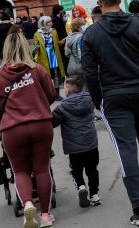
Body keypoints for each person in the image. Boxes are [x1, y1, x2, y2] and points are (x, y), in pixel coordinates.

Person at [81, 0, 139, 226]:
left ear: (100, 4)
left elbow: (89, 72)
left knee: (125, 149)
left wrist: (99, 100)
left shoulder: (91, 34)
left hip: (114, 96)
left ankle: (138, 208)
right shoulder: (138, 24)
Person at [0, 33, 58, 228]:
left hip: (12, 129)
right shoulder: (38, 71)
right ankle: (45, 215)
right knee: (42, 169)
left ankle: (27, 203)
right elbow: (51, 95)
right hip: (40, 125)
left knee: (20, 171)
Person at [51, 75, 101, 210]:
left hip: (74, 148)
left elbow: (53, 122)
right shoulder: (89, 100)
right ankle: (95, 195)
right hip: (91, 144)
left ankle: (81, 187)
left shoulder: (62, 108)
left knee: (76, 171)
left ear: (67, 91)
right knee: (92, 170)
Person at [32, 16, 64, 89]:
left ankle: (57, 91)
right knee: (47, 75)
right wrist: (34, 54)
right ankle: (50, 91)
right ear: (43, 23)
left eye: (51, 21)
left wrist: (64, 41)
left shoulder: (53, 31)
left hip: (54, 55)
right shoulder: (37, 34)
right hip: (44, 56)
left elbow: (57, 42)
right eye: (49, 22)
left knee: (56, 73)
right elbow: (36, 46)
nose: (51, 23)